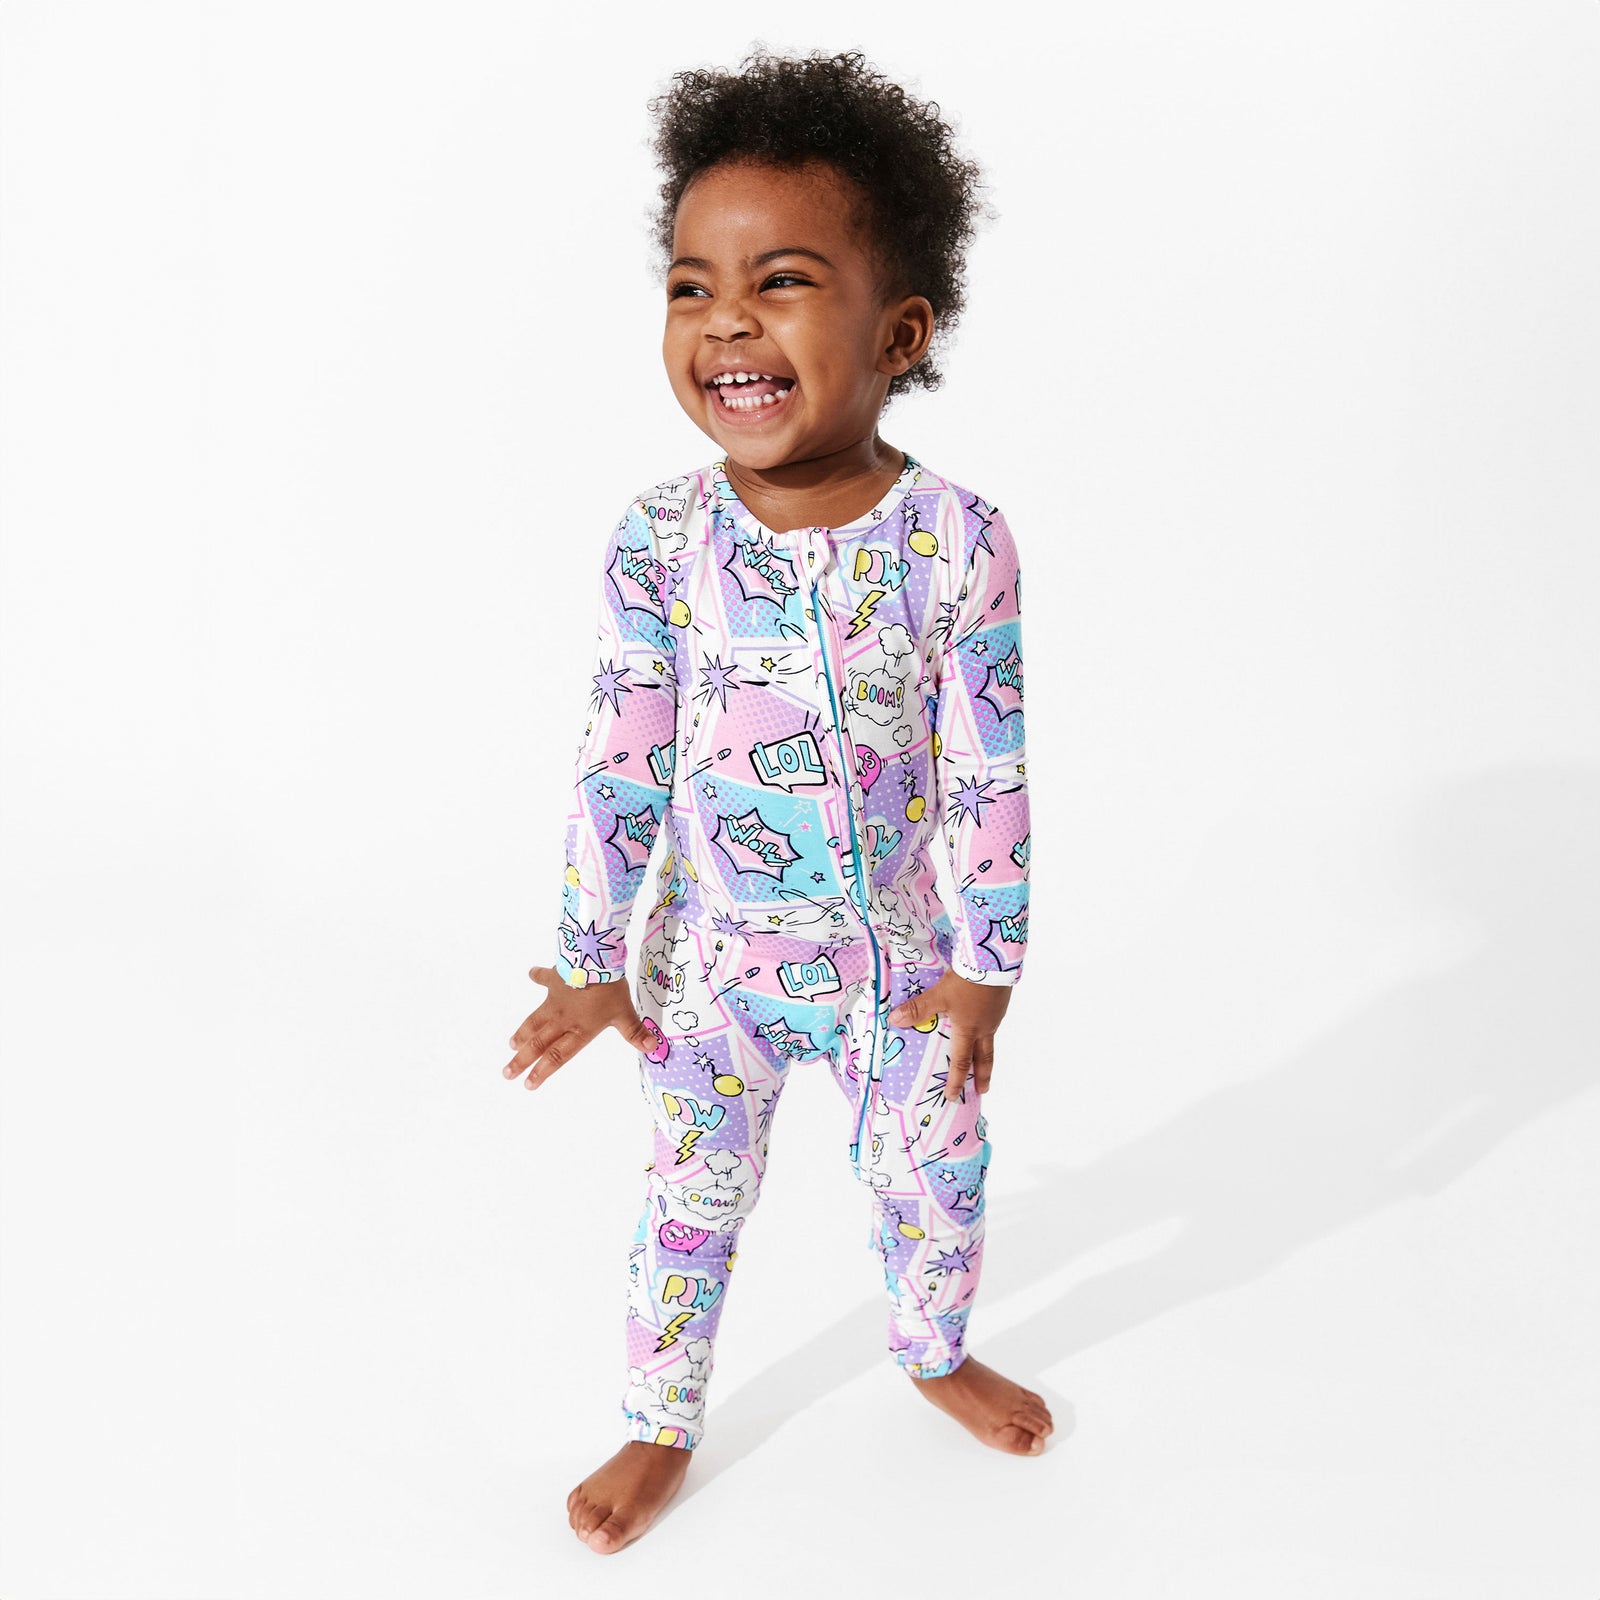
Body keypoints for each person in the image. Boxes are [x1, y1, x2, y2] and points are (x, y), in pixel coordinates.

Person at [501, 46, 1051, 1555]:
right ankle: (658, 1416)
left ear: (899, 331)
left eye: (782, 281)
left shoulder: (959, 542)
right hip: (711, 964)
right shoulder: (657, 539)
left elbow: (991, 766)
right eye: (692, 286)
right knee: (689, 1199)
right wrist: (591, 957)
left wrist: (988, 966)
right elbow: (619, 756)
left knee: (937, 1175)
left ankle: (931, 1350)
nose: (727, 320)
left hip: (899, 964)